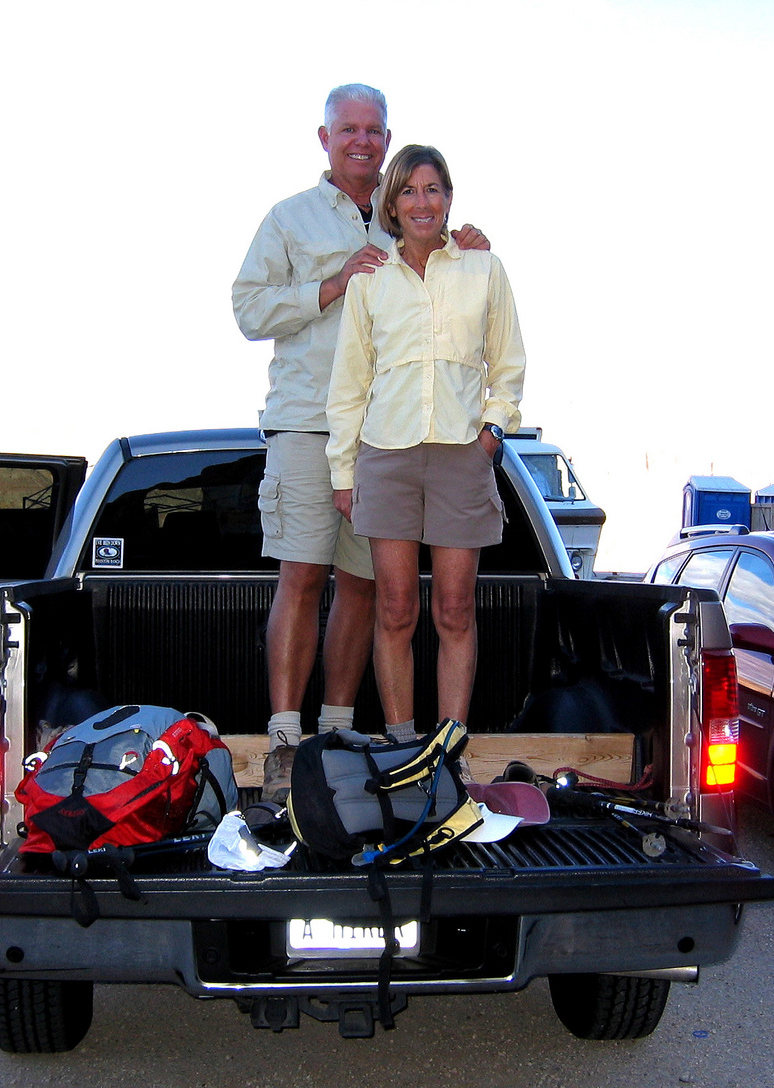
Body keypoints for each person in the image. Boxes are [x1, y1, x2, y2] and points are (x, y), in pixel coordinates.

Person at [232, 86, 489, 799]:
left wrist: (469, 248)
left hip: (388, 441)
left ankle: (338, 732)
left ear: (387, 138)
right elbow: (248, 307)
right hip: (308, 423)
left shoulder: (405, 215)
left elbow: (459, 291)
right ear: (324, 136)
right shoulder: (289, 219)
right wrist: (330, 284)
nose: (362, 141)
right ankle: (287, 742)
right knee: (302, 575)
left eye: (374, 130)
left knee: (363, 586)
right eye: (349, 129)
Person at [326, 144, 526, 739]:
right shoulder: (370, 280)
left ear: (448, 198)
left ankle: (449, 751)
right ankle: (404, 745)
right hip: (385, 458)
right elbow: (350, 382)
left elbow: (507, 365)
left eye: (433, 189)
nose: (422, 201)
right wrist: (344, 473)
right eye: (409, 190)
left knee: (455, 611)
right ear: (393, 202)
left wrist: (489, 436)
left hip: (461, 457)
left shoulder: (483, 269)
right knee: (395, 610)